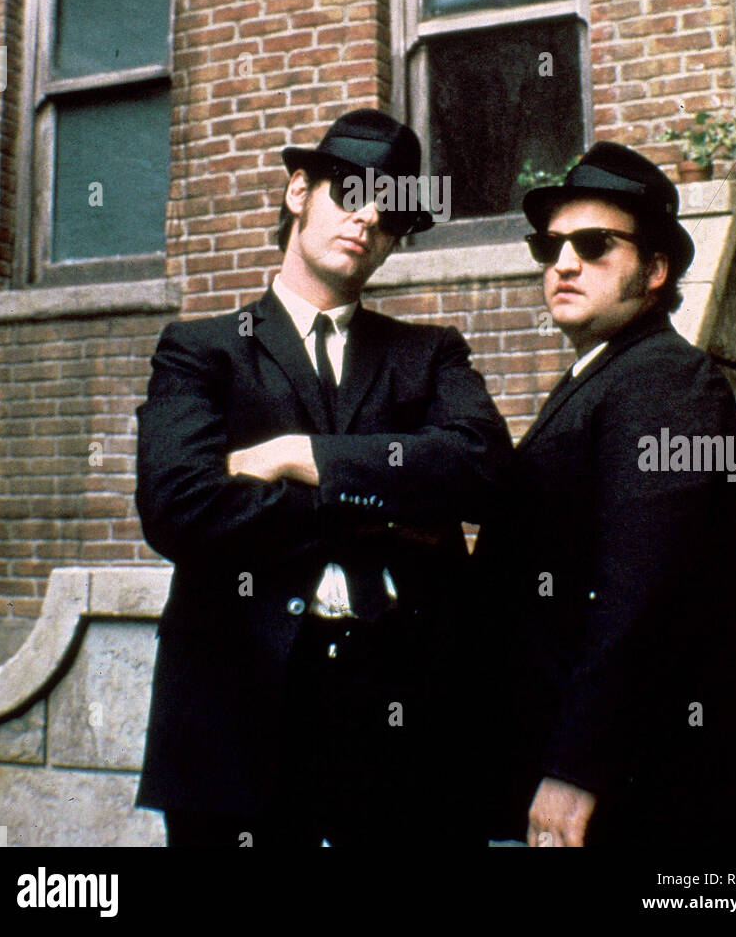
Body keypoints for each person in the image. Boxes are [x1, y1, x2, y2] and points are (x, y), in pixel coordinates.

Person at [135, 108, 511, 848]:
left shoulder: (429, 354)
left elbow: (483, 468)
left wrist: (295, 457)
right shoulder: (202, 352)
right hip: (239, 725)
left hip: (406, 720)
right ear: (298, 191)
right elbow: (179, 508)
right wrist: (378, 507)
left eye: (393, 206)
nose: (369, 216)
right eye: (350, 191)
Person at [472, 142, 736, 848]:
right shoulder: (600, 377)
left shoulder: (667, 379)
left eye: (594, 244)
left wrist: (578, 768)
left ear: (656, 268)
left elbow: (647, 592)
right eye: (550, 247)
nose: (563, 263)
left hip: (651, 798)